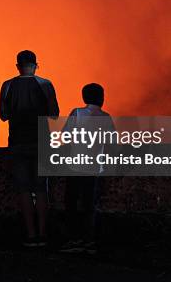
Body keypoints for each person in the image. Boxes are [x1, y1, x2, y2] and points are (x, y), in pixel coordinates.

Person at [0, 50, 59, 247]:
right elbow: (54, 114)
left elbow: (3, 115)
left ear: (18, 66)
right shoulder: (46, 84)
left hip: (17, 143)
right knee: (41, 189)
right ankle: (43, 233)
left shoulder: (7, 85)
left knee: (24, 190)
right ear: (35, 65)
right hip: (41, 142)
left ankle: (31, 235)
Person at [60, 83, 113, 254]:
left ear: (84, 98)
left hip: (75, 166)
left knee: (72, 203)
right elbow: (112, 142)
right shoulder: (106, 117)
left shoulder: (77, 113)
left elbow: (65, 136)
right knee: (90, 205)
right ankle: (89, 241)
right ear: (102, 99)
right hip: (94, 168)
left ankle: (72, 239)